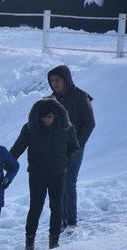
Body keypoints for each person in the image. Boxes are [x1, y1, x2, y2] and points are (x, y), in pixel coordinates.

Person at [10, 97, 80, 250]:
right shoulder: (30, 129)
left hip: (58, 174)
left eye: (49, 116)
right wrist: (3, 163)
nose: (46, 120)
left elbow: (75, 148)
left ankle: (54, 242)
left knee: (57, 207)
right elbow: (16, 149)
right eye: (43, 117)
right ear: (38, 116)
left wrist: (66, 162)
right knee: (35, 207)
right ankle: (29, 242)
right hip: (37, 175)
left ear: (55, 115)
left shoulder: (67, 128)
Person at [47, 65, 95, 232]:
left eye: (58, 80)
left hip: (76, 146)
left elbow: (89, 124)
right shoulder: (51, 99)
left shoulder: (81, 96)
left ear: (66, 79)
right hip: (57, 147)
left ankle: (71, 221)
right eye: (52, 80)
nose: (55, 83)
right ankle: (61, 219)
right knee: (59, 181)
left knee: (69, 181)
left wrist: (77, 145)